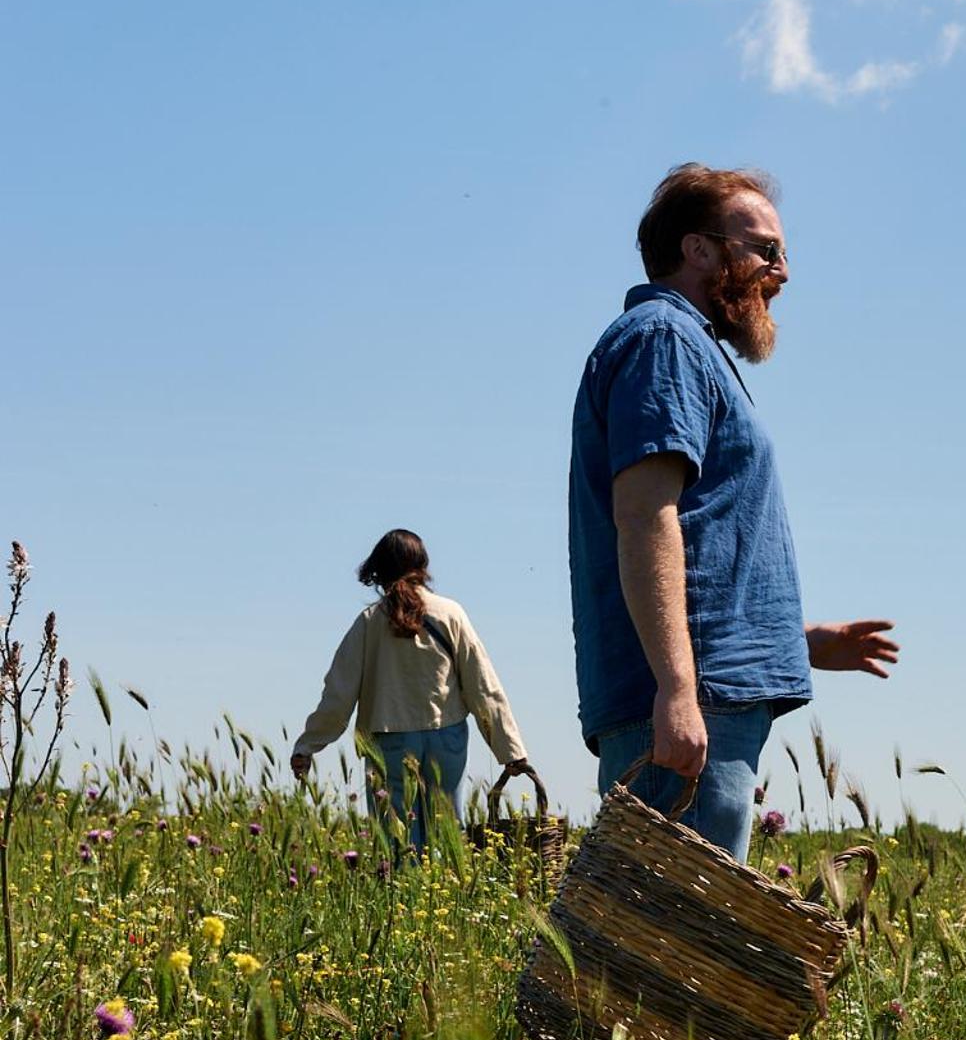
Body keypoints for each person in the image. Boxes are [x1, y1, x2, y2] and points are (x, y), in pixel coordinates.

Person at [569, 163, 897, 864]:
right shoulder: (664, 338)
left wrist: (794, 639)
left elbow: (701, 540)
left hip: (707, 692)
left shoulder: (686, 349)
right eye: (766, 251)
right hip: (691, 704)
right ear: (699, 250)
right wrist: (678, 692)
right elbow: (645, 515)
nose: (780, 272)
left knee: (678, 952)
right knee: (671, 957)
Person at [290, 529, 528, 854]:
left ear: (379, 568)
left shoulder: (369, 622)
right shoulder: (450, 613)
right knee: (443, 837)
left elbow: (338, 695)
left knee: (396, 841)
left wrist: (308, 745)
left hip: (389, 742)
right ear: (422, 564)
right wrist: (509, 749)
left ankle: (401, 899)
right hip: (447, 736)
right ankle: (441, 896)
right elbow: (483, 686)